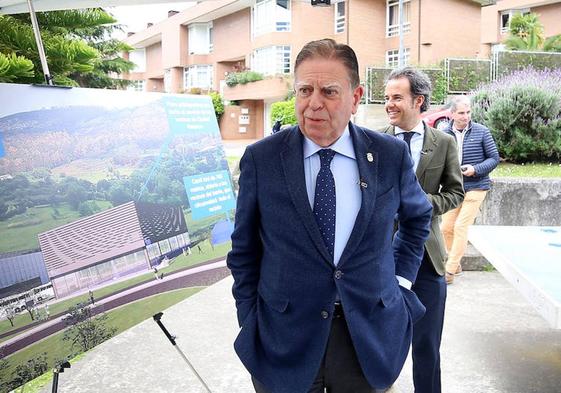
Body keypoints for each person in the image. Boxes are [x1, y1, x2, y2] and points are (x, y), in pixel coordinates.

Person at [227, 38, 433, 393]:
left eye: (329, 91)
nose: (313, 104)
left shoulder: (389, 155)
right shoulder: (262, 159)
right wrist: (250, 318)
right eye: (304, 90)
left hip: (367, 336)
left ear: (355, 98)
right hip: (283, 338)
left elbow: (417, 221)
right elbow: (243, 250)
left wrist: (401, 283)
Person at [382, 67, 464, 393]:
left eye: (397, 97)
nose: (390, 104)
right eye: (387, 97)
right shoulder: (375, 140)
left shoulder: (443, 143)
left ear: (419, 100)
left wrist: (417, 203)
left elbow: (455, 193)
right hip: (381, 256)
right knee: (377, 343)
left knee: (427, 346)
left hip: (427, 259)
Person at [440, 96, 499, 284]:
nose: (465, 116)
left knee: (460, 226)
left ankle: (449, 270)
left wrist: (476, 169)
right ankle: (456, 264)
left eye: (468, 112)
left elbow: (494, 158)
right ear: (451, 114)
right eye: (461, 113)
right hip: (453, 187)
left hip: (477, 186)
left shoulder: (482, 132)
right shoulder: (443, 133)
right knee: (445, 227)